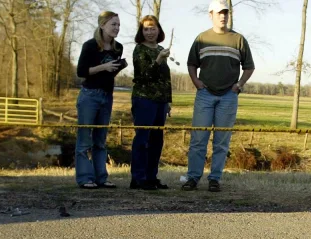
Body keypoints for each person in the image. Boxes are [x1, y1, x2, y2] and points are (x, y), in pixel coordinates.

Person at [182, 0, 255, 192]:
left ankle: (214, 179)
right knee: (199, 139)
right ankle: (193, 178)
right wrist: (196, 81)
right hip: (205, 94)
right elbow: (191, 63)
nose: (223, 16)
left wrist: (239, 85)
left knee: (221, 141)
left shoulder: (238, 39)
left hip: (228, 96)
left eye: (225, 13)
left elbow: (249, 67)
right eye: (219, 13)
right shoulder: (202, 38)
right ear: (211, 15)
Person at [74, 11, 128, 189]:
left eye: (118, 25)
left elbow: (109, 73)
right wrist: (103, 66)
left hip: (107, 96)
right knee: (84, 139)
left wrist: (117, 67)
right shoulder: (90, 46)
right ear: (102, 25)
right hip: (90, 95)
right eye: (113, 24)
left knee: (101, 140)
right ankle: (85, 178)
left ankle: (101, 178)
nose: (117, 28)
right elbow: (81, 72)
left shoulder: (118, 48)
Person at [130, 15, 172, 191]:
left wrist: (169, 101)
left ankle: (151, 177)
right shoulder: (139, 50)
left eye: (152, 28)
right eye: (146, 29)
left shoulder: (161, 49)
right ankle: (138, 178)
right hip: (144, 99)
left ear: (158, 30)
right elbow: (144, 76)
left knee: (156, 140)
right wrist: (158, 60)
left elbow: (165, 78)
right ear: (141, 31)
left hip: (160, 102)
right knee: (142, 139)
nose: (149, 32)